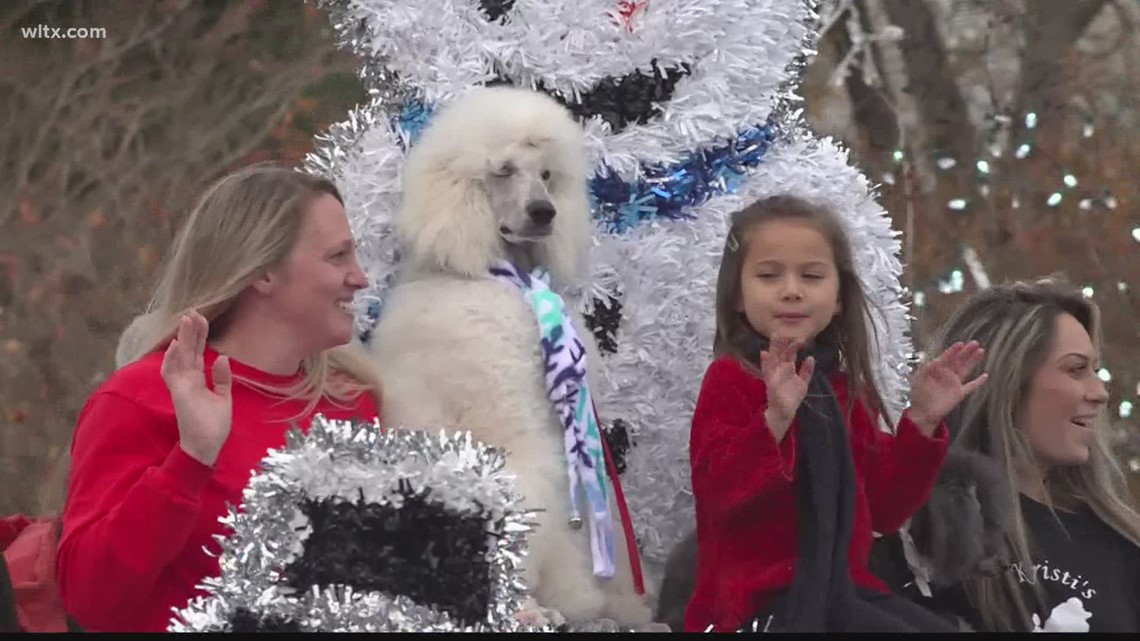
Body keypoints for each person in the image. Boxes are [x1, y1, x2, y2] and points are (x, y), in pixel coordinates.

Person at [56, 164, 384, 632]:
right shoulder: (143, 397)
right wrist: (190, 460)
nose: (361, 278)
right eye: (338, 257)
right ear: (265, 272)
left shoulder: (353, 403)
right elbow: (89, 600)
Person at [683, 195, 987, 632]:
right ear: (736, 295)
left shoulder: (842, 390)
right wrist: (774, 420)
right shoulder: (732, 378)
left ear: (840, 297)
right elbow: (719, 493)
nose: (791, 289)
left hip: (844, 590)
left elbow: (883, 509)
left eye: (811, 275)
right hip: (755, 602)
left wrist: (920, 422)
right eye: (769, 275)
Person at [889, 278, 1140, 632]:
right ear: (1007, 381)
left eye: (1095, 371)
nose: (1100, 393)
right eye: (1076, 369)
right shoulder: (916, 527)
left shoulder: (1122, 546)